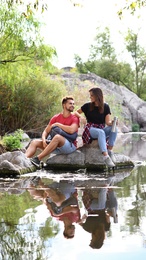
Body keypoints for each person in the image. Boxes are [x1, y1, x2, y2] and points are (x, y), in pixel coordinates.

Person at [25, 96, 79, 168]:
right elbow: (46, 131)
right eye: (70, 103)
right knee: (34, 142)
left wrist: (58, 124)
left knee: (57, 137)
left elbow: (72, 129)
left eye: (73, 104)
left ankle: (38, 159)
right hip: (55, 146)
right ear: (64, 105)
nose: (72, 105)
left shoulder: (74, 118)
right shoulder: (56, 117)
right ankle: (24, 160)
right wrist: (44, 141)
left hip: (69, 146)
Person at [76, 87, 118, 168]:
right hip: (90, 129)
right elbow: (76, 113)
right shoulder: (87, 106)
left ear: (97, 96)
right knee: (100, 132)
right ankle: (106, 157)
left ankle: (109, 150)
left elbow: (107, 122)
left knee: (114, 128)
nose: (90, 97)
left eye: (92, 95)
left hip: (101, 129)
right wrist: (81, 117)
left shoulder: (105, 106)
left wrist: (113, 123)